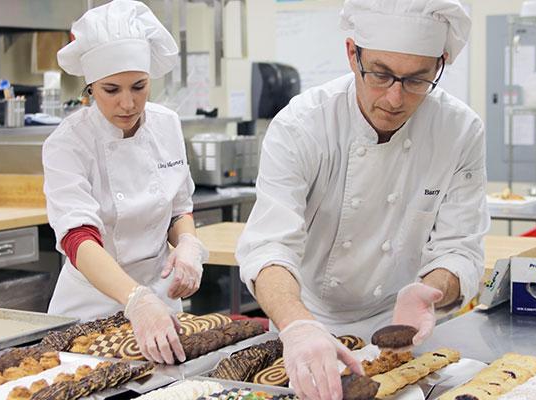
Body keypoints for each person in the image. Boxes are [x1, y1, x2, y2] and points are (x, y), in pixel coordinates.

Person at [235, 0, 490, 398]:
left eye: (417, 80)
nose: (394, 98)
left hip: (402, 330)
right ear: (353, 53)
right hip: (309, 321)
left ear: (440, 64)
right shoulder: (301, 126)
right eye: (381, 74)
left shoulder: (459, 131)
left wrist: (430, 290)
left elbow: (460, 249)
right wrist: (298, 326)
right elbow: (268, 247)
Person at [42, 0, 208, 366]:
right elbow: (77, 238)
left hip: (160, 300)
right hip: (90, 308)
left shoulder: (166, 125)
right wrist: (136, 300)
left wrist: (188, 244)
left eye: (139, 86)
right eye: (111, 90)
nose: (128, 103)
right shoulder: (68, 143)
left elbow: (178, 207)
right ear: (89, 88)